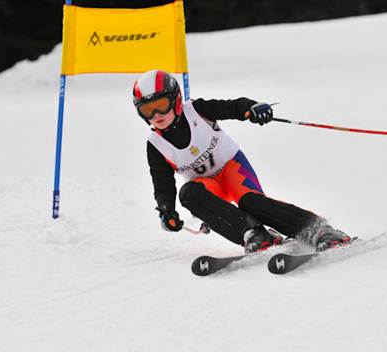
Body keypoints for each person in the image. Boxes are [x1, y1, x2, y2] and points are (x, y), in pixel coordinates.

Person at [133, 69, 352, 253]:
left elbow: (233, 106)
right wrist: (166, 211)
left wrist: (252, 109)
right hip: (209, 188)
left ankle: (318, 230)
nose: (156, 114)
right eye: (147, 110)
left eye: (160, 104)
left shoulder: (197, 110)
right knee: (188, 194)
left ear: (175, 100)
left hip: (232, 169)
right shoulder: (156, 145)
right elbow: (163, 185)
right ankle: (253, 233)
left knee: (251, 202)